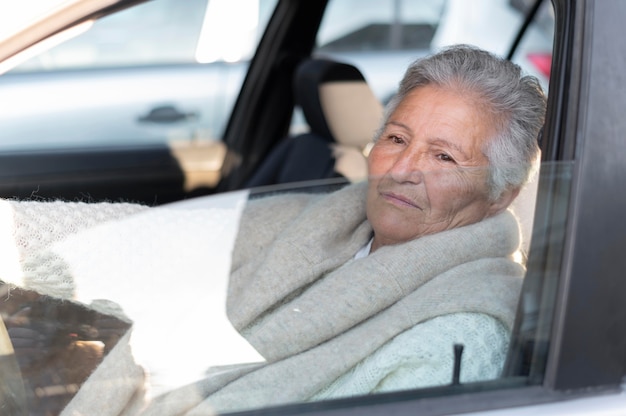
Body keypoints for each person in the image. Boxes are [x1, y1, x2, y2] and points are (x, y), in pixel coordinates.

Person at [1, 44, 546, 415]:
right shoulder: (320, 220)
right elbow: (144, 241)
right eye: (397, 139)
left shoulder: (461, 334)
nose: (403, 169)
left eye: (445, 157)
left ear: (502, 192)